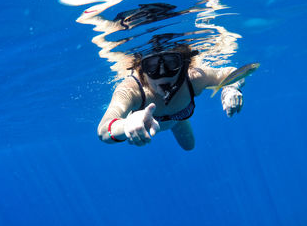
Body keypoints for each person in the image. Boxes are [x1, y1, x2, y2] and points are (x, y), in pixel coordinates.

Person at [97, 44, 244, 150]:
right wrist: (125, 125)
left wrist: (231, 87)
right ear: (142, 70)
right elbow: (103, 131)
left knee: (189, 146)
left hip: (177, 122)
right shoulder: (131, 90)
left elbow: (233, 72)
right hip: (157, 124)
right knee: (189, 146)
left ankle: (178, 121)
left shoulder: (193, 78)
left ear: (184, 66)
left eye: (171, 62)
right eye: (152, 65)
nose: (162, 72)